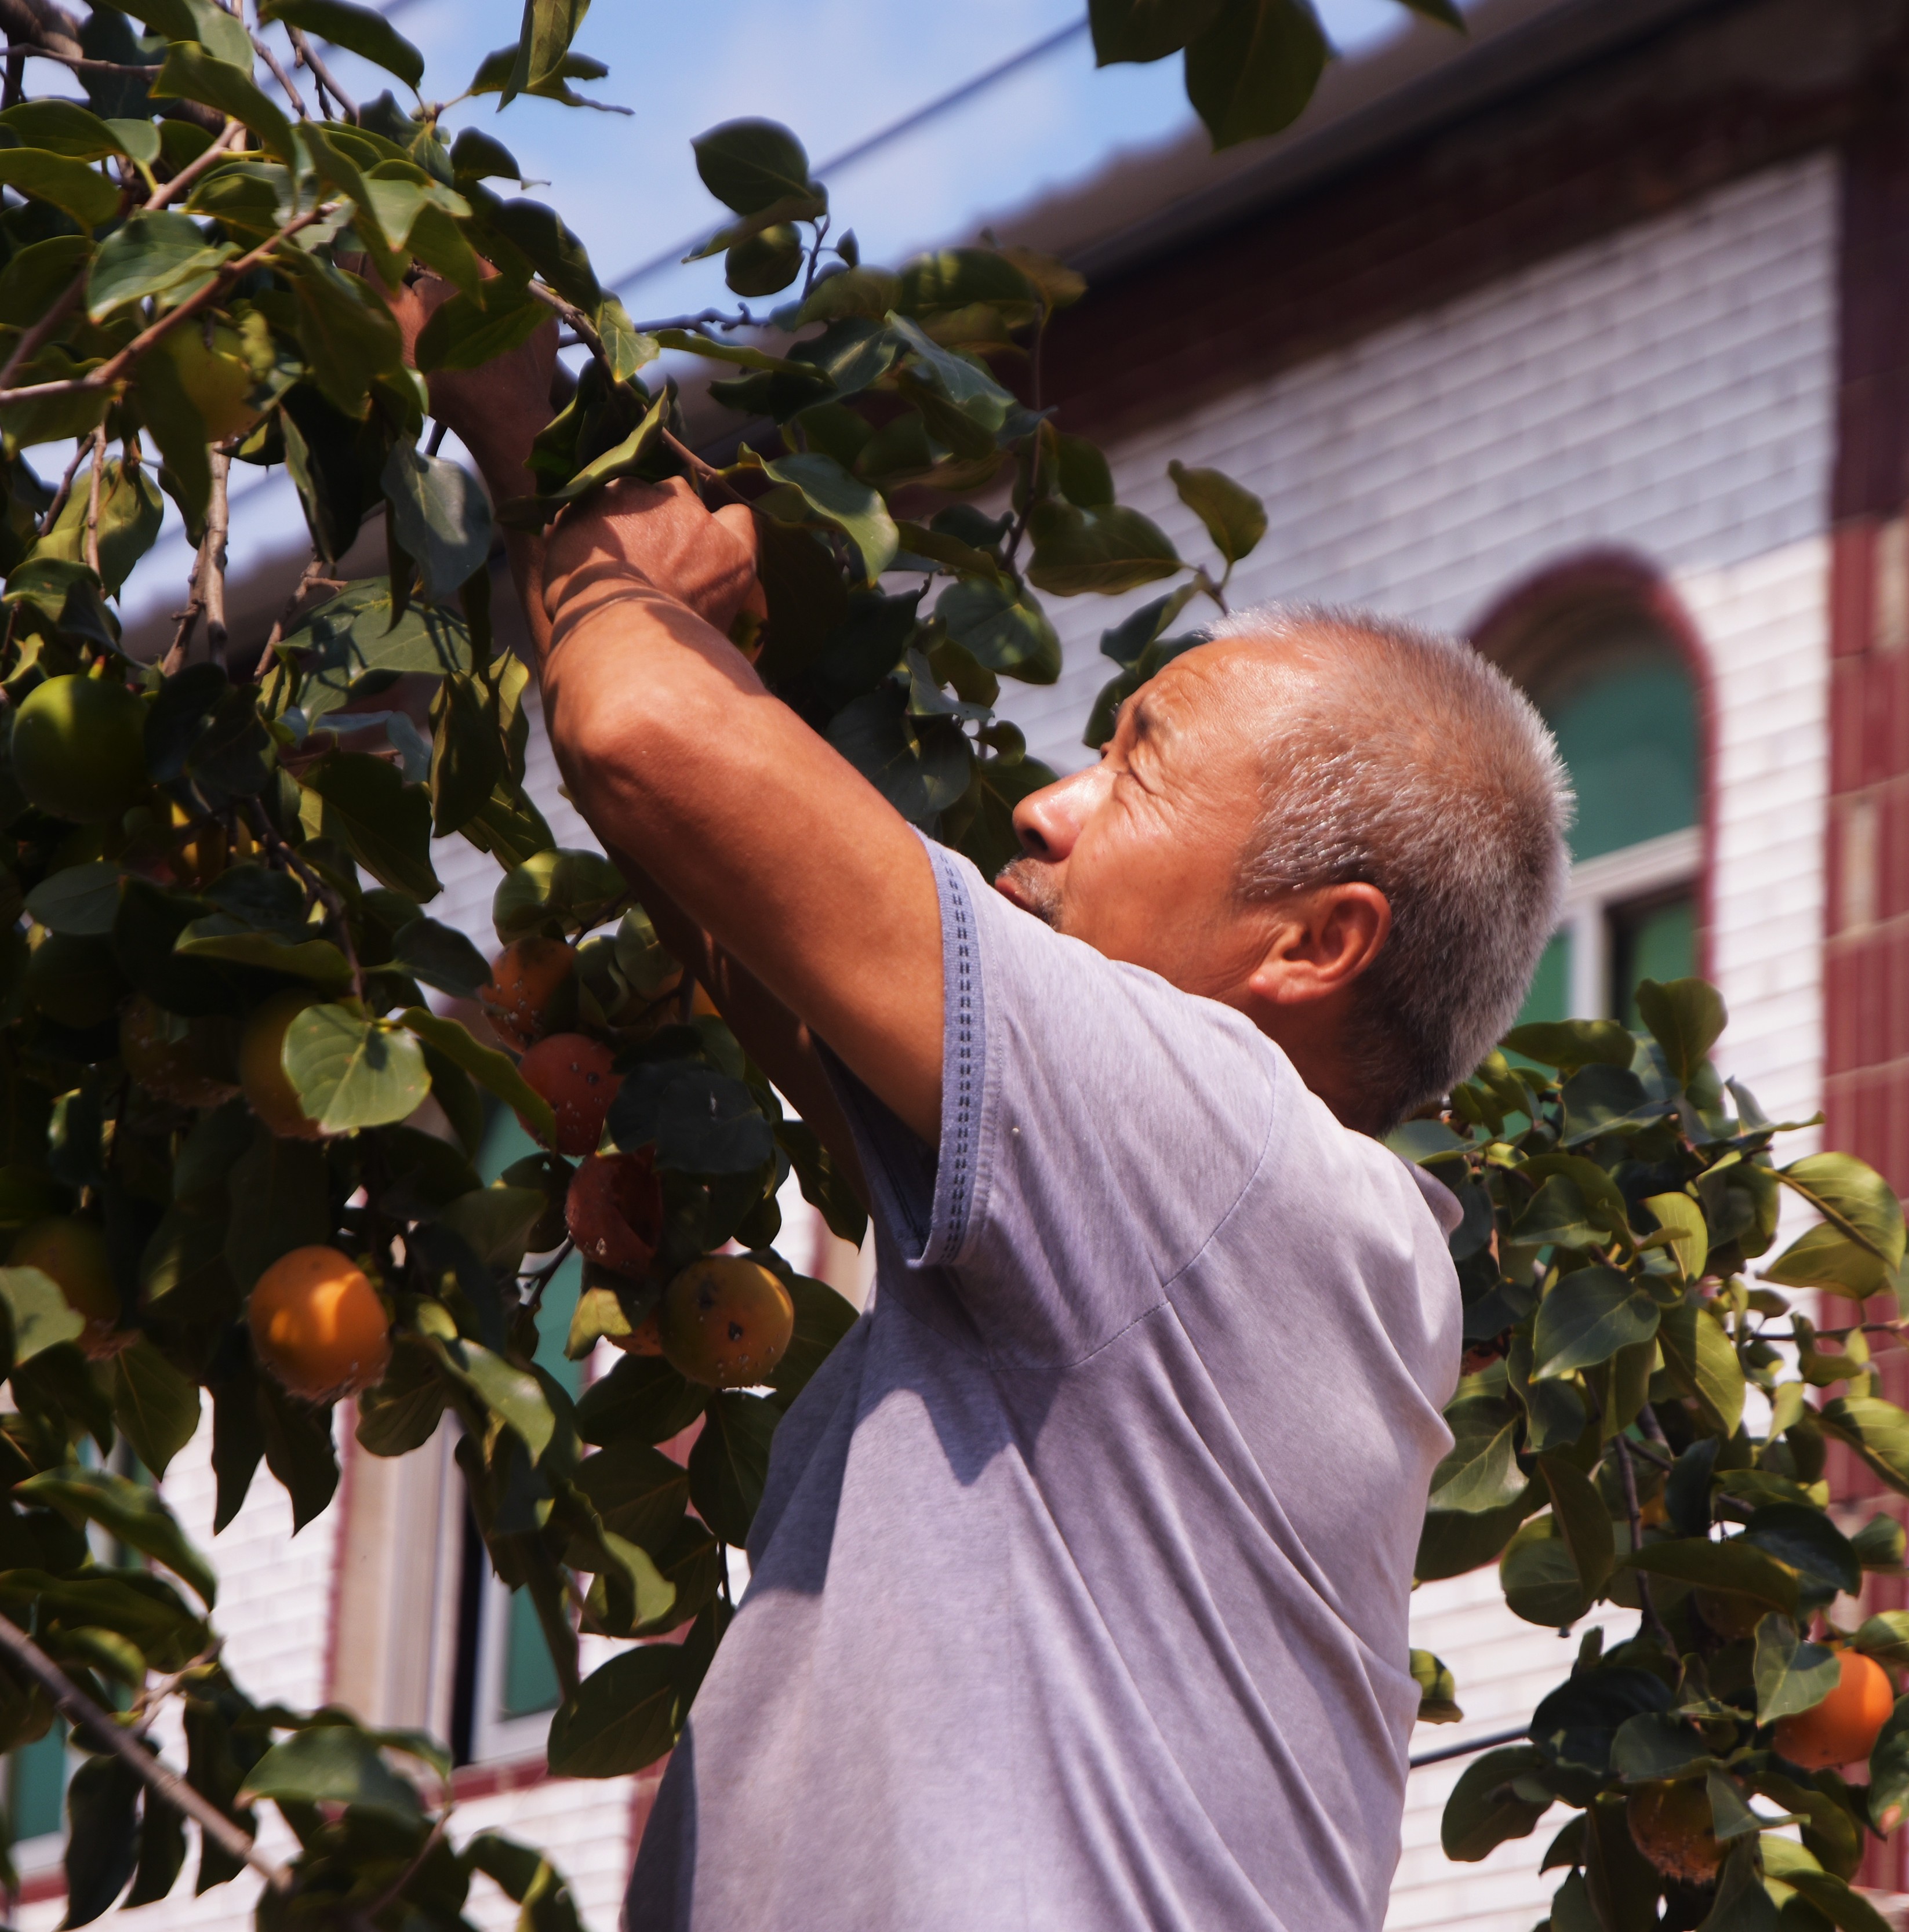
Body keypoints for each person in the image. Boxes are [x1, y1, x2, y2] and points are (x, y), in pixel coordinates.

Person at [401, 282, 1570, 1930]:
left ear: (1315, 944)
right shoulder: (1218, 1245)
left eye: (1137, 765)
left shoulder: (1231, 1150)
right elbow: (764, 950)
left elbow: (645, 735)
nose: (1046, 802)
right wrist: (589, 525)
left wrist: (546, 453)